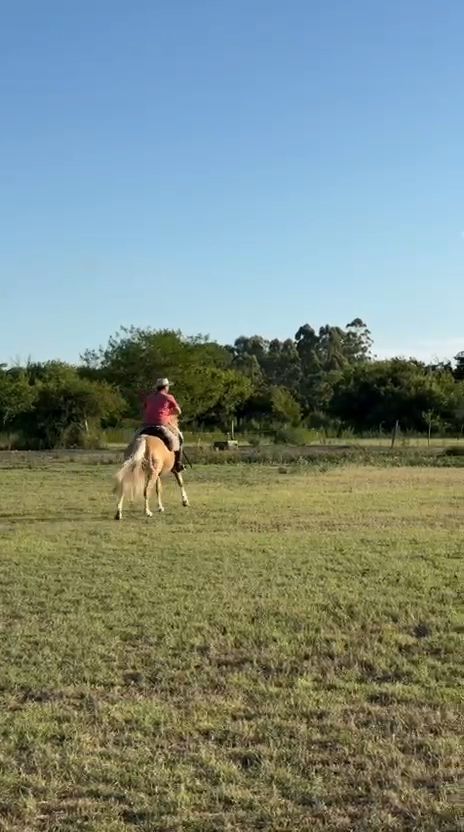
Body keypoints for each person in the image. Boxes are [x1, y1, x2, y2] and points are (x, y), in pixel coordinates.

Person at [142, 378, 185, 471]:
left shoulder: (149, 397)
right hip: (161, 424)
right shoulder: (168, 397)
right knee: (180, 438)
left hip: (146, 425)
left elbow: (145, 408)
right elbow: (178, 411)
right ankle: (178, 464)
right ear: (166, 387)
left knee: (135, 438)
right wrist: (168, 414)